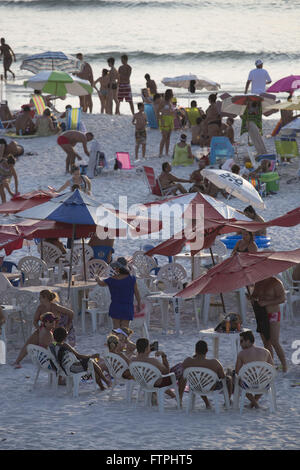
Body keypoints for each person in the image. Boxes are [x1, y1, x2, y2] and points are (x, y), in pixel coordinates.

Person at [248, 276, 287, 372]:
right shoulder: (258, 282)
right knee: (266, 341)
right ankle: (270, 365)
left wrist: (267, 302)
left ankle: (284, 365)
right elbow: (255, 296)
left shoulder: (276, 282)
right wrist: (251, 297)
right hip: (261, 314)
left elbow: (282, 299)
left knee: (274, 340)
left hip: (273, 313)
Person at [178, 340, 232, 408]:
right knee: (229, 379)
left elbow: (182, 374)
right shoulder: (214, 363)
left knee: (198, 379)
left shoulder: (187, 361)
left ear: (195, 350)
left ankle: (180, 399)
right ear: (207, 350)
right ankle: (228, 401)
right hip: (211, 387)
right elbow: (223, 377)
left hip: (195, 386)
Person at [95, 257, 141, 329]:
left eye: (115, 267)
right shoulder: (131, 279)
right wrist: (139, 304)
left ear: (117, 268)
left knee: (116, 329)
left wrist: (97, 278)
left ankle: (117, 340)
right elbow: (137, 293)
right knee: (125, 329)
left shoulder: (112, 279)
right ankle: (123, 339)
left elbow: (101, 283)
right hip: (127, 307)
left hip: (115, 306)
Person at [235, 330, 274, 409]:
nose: (240, 344)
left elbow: (237, 371)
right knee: (266, 379)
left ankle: (254, 403)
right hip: (264, 384)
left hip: (248, 384)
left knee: (236, 379)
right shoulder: (266, 351)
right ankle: (254, 403)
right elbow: (272, 369)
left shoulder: (242, 354)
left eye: (242, 341)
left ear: (248, 341)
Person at [158, 89, 175, 157]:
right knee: (164, 137)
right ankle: (160, 153)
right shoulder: (163, 101)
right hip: (164, 119)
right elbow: (158, 111)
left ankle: (166, 152)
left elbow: (171, 110)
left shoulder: (170, 101)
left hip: (170, 119)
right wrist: (160, 119)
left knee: (168, 137)